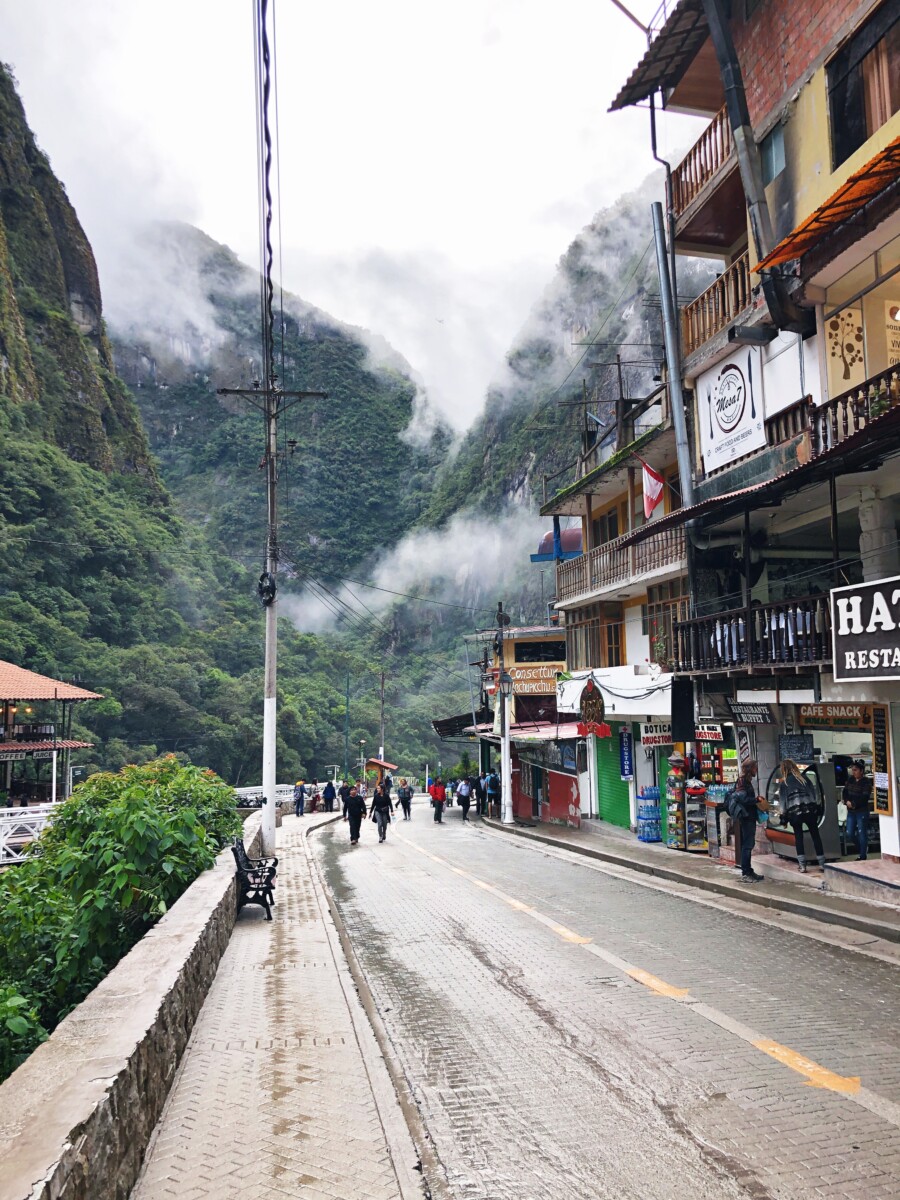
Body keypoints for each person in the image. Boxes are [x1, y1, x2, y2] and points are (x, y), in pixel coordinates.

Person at [777, 759, 825, 872]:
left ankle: (802, 865)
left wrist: (783, 816)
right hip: (809, 810)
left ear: (784, 769)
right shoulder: (804, 779)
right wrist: (814, 806)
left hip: (795, 813)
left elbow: (783, 803)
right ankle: (822, 863)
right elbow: (813, 794)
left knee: (799, 837)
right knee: (815, 835)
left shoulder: (785, 783)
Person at [730, 759, 767, 883]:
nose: (756, 770)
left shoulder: (746, 781)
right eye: (754, 768)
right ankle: (746, 873)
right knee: (747, 845)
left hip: (749, 816)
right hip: (746, 817)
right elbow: (743, 799)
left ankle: (749, 871)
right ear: (749, 768)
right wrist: (756, 800)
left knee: (749, 844)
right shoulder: (742, 782)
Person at [844, 759, 873, 861]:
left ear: (861, 771)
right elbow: (845, 791)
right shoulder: (850, 779)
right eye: (852, 770)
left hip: (862, 811)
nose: (853, 772)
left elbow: (865, 797)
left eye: (855, 770)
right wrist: (847, 801)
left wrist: (854, 804)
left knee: (862, 833)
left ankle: (862, 856)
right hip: (851, 812)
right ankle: (862, 848)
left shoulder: (866, 782)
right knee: (849, 833)